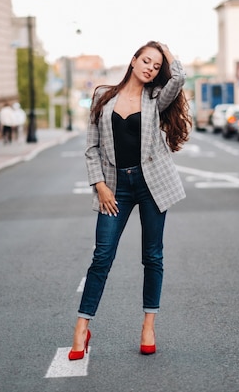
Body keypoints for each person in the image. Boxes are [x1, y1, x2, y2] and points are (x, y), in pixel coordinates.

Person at [68, 41, 191, 360]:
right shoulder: (102, 96)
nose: (150, 67)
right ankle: (81, 328)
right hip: (115, 186)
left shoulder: (155, 97)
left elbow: (178, 79)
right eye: (146, 61)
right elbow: (91, 147)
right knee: (102, 256)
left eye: (156, 65)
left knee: (152, 256)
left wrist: (167, 51)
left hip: (152, 184)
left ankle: (148, 326)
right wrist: (100, 185)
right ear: (133, 60)